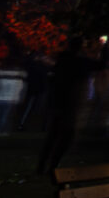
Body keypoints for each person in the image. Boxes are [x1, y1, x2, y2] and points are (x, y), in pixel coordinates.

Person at [37, 40, 102, 174]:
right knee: (66, 136)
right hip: (70, 104)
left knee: (53, 135)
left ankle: (43, 164)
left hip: (59, 103)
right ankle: (52, 165)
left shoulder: (62, 62)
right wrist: (104, 47)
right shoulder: (79, 63)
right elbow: (101, 64)